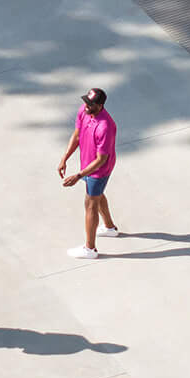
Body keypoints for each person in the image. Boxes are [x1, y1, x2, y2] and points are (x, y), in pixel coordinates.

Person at [59, 87, 123, 259]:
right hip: (87, 164)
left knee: (90, 204)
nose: (86, 106)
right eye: (86, 102)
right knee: (97, 195)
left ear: (100, 105)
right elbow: (77, 135)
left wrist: (78, 175)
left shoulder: (105, 126)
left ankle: (90, 249)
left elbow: (101, 160)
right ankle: (109, 228)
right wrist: (65, 158)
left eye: (91, 104)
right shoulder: (84, 111)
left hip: (99, 170)